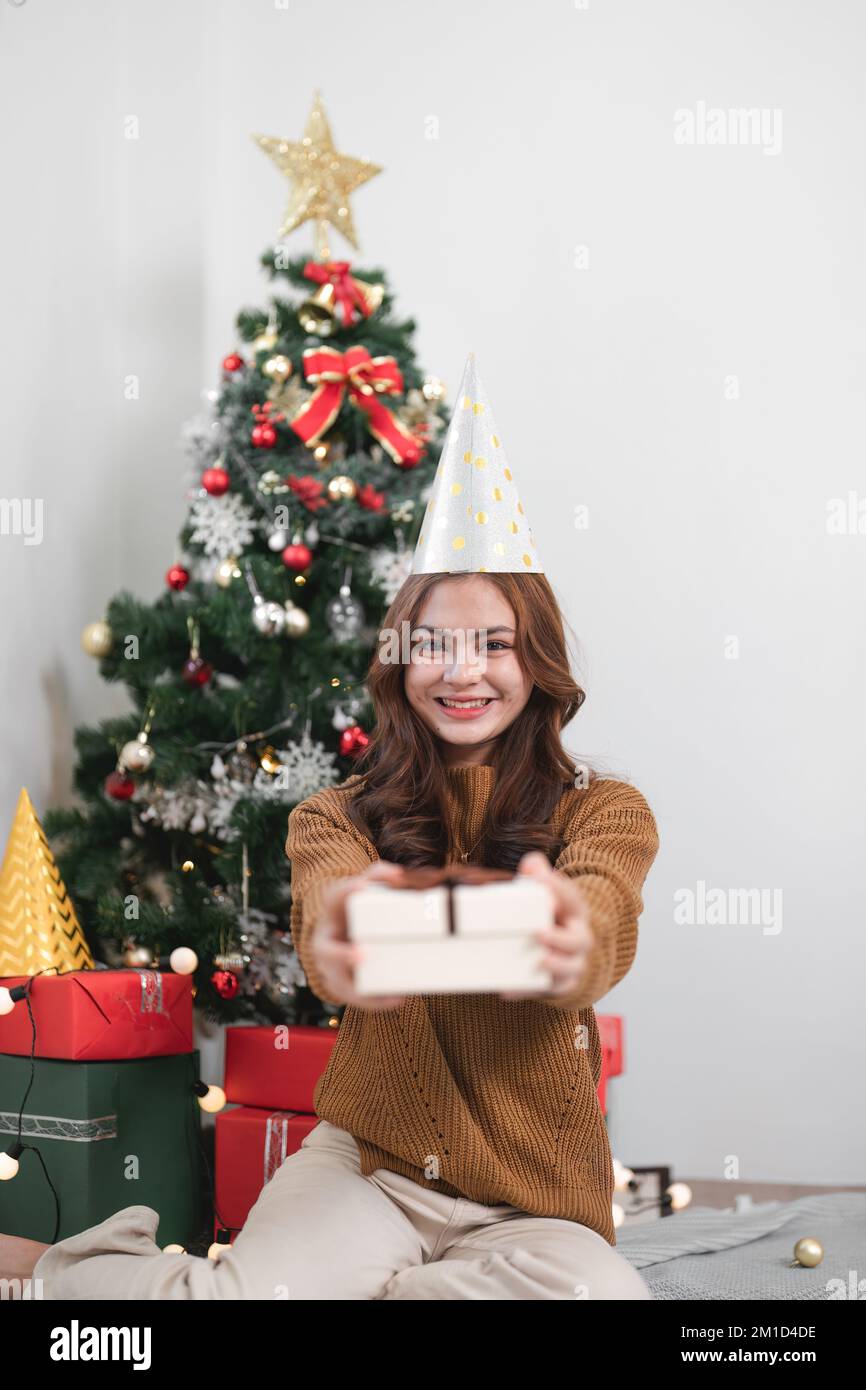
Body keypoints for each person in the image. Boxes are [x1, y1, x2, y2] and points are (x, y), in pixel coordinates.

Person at [23, 357, 659, 1299]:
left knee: (607, 1300)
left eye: (493, 643)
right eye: (434, 643)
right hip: (374, 1166)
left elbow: (604, 910)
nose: (462, 672)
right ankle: (71, 1267)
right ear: (400, 661)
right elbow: (327, 930)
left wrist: (570, 932)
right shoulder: (337, 815)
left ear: (539, 662)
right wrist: (347, 931)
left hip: (532, 1199)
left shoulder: (601, 810)